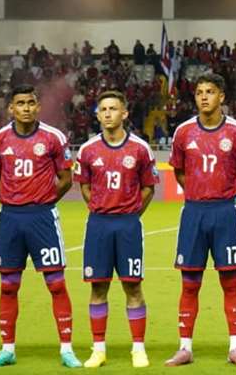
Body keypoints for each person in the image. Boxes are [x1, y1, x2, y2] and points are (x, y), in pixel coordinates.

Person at [0, 85, 78, 367]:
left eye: (30, 103)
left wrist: (44, 201)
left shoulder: (53, 137)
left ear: (38, 107)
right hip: (10, 219)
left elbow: (66, 178)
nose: (25, 108)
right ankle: (7, 349)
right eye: (20, 103)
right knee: (8, 285)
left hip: (43, 218)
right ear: (11, 108)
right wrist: (13, 198)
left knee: (56, 284)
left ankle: (67, 350)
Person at [165, 73, 236, 367]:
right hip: (193, 212)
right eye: (200, 92)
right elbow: (179, 171)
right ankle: (185, 348)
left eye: (210, 92)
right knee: (190, 283)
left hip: (225, 213)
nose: (204, 97)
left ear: (222, 97)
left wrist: (225, 193)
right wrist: (197, 191)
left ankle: (235, 348)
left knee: (231, 282)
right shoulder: (183, 132)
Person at [75, 91, 159, 368]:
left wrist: (132, 214)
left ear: (124, 113)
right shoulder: (88, 150)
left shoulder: (139, 148)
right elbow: (84, 186)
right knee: (98, 287)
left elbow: (148, 188)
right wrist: (100, 207)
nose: (108, 113)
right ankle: (98, 350)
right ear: (98, 115)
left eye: (113, 108)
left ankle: (138, 349)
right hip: (98, 225)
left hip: (128, 226)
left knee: (132, 286)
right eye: (103, 109)